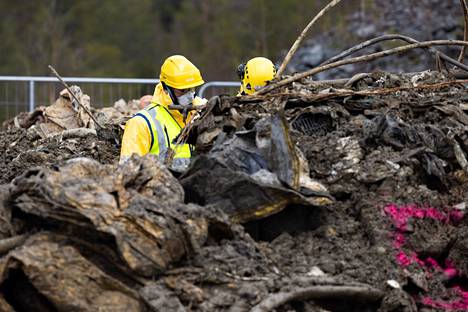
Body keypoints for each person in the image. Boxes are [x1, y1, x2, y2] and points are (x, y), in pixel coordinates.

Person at [120, 55, 206, 171]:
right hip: (162, 187)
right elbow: (128, 171)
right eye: (182, 90)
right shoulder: (141, 124)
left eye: (192, 89)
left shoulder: (201, 112)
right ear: (166, 88)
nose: (190, 95)